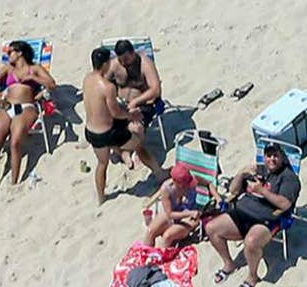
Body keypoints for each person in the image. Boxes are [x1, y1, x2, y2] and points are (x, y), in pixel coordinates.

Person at [206, 145, 301, 287]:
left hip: (266, 220)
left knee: (251, 243)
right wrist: (241, 174)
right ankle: (229, 264)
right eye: (268, 156)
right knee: (211, 228)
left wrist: (262, 191)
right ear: (264, 157)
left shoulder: (288, 178)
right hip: (241, 213)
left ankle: (252, 276)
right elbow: (233, 190)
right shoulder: (258, 170)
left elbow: (285, 204)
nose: (272, 159)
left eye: (275, 156)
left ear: (282, 157)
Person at [83, 47, 168, 205]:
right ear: (105, 64)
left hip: (91, 132)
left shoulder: (87, 79)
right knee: (139, 144)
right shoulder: (108, 88)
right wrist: (131, 115)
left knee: (102, 164)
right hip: (108, 133)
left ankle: (101, 198)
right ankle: (160, 173)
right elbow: (116, 113)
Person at [0, 40, 57, 186]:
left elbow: (52, 85)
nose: (8, 54)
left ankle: (14, 182)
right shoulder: (8, 69)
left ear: (20, 52)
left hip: (26, 107)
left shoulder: (34, 68)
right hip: (7, 106)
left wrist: (33, 78)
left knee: (15, 142)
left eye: (10, 52)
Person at [144, 163, 222, 247]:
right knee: (150, 231)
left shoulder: (192, 179)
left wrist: (218, 198)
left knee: (167, 237)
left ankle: (161, 258)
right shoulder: (166, 189)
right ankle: (145, 255)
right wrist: (189, 213)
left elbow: (209, 183)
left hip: (191, 217)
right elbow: (170, 214)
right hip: (175, 214)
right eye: (184, 185)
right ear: (175, 182)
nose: (188, 186)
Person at [107, 40, 162, 143]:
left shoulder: (145, 64)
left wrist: (135, 102)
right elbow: (102, 82)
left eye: (126, 59)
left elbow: (156, 90)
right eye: (120, 60)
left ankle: (137, 150)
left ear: (133, 53)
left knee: (136, 128)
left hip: (142, 105)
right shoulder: (114, 65)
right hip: (120, 104)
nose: (123, 63)